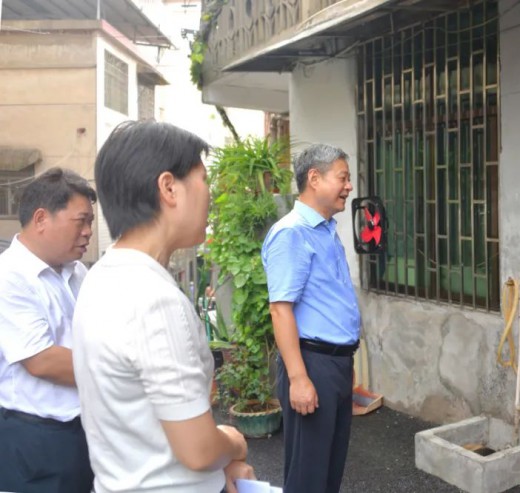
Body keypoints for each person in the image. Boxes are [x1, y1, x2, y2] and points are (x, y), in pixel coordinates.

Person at [71, 121, 255, 492]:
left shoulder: (102, 275)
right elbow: (199, 449)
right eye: (203, 178)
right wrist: (233, 442)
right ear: (169, 187)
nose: (210, 191)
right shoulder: (153, 299)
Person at [262, 143, 361, 493]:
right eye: (343, 178)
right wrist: (299, 378)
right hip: (310, 364)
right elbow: (280, 309)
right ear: (314, 179)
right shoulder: (292, 233)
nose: (349, 187)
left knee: (329, 471)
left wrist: (344, 362)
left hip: (332, 364)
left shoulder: (326, 230)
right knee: (308, 477)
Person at [0, 168, 96, 492]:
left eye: (91, 223)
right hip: (36, 441)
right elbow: (41, 360)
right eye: (80, 221)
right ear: (41, 218)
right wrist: (129, 370)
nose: (88, 232)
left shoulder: (77, 272)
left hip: (85, 429)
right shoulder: (9, 277)